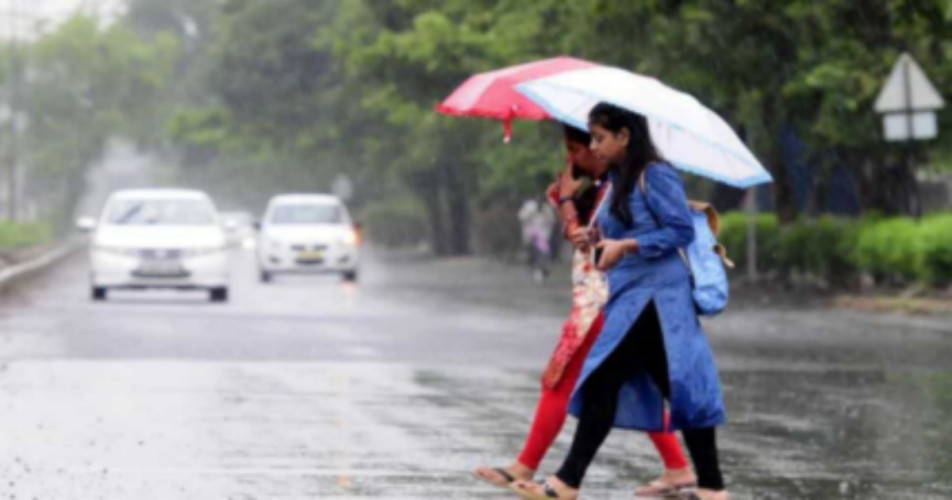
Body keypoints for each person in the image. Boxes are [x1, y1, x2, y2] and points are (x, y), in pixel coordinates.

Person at [513, 104, 729, 500]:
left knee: (604, 382)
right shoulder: (617, 182)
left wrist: (627, 245)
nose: (593, 146)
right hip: (630, 299)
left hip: (656, 303)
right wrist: (592, 241)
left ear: (624, 136)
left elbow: (679, 230)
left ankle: (565, 482)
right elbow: (615, 233)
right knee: (671, 388)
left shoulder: (655, 175)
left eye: (599, 137)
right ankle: (712, 487)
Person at [474, 125, 697, 498]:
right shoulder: (607, 186)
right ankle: (678, 468)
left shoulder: (623, 187)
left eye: (582, 147)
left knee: (565, 379)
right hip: (610, 299)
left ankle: (536, 469)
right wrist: (567, 200)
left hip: (605, 300)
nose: (574, 157)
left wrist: (566, 203)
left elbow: (594, 242)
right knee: (628, 384)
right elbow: (582, 239)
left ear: (610, 144)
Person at [518, 193, 557, 282]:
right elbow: (521, 217)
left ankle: (541, 271)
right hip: (530, 233)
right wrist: (532, 212)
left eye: (542, 202)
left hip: (543, 235)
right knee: (531, 253)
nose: (540, 204)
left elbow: (552, 221)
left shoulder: (547, 209)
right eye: (539, 202)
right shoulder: (529, 207)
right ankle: (533, 269)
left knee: (542, 253)